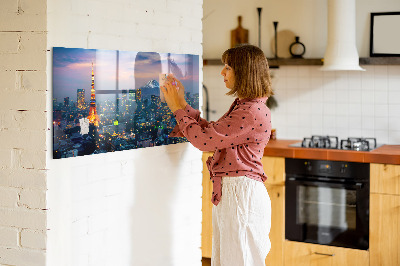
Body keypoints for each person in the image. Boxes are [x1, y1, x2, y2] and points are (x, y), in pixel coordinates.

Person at [161, 44, 273, 266]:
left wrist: (176, 108)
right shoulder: (246, 106)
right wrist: (182, 103)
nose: (222, 72)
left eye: (228, 67)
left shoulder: (250, 111)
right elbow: (212, 133)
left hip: (241, 195)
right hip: (236, 193)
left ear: (244, 72)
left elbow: (204, 141)